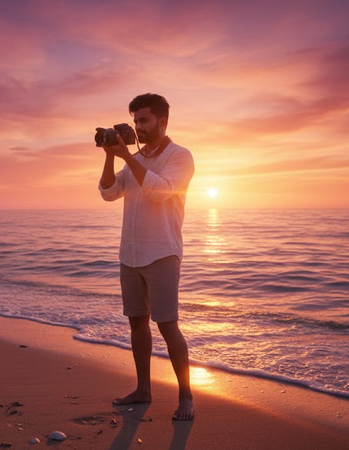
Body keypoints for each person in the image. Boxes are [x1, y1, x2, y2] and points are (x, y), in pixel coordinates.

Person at [98, 93, 195, 420]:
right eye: (135, 120)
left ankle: (186, 398)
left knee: (168, 325)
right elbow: (109, 193)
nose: (138, 127)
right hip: (130, 254)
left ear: (162, 121)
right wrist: (112, 156)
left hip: (162, 253)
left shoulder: (180, 157)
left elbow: (159, 190)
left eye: (144, 120)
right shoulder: (134, 157)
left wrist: (128, 156)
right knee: (137, 323)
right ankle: (143, 389)